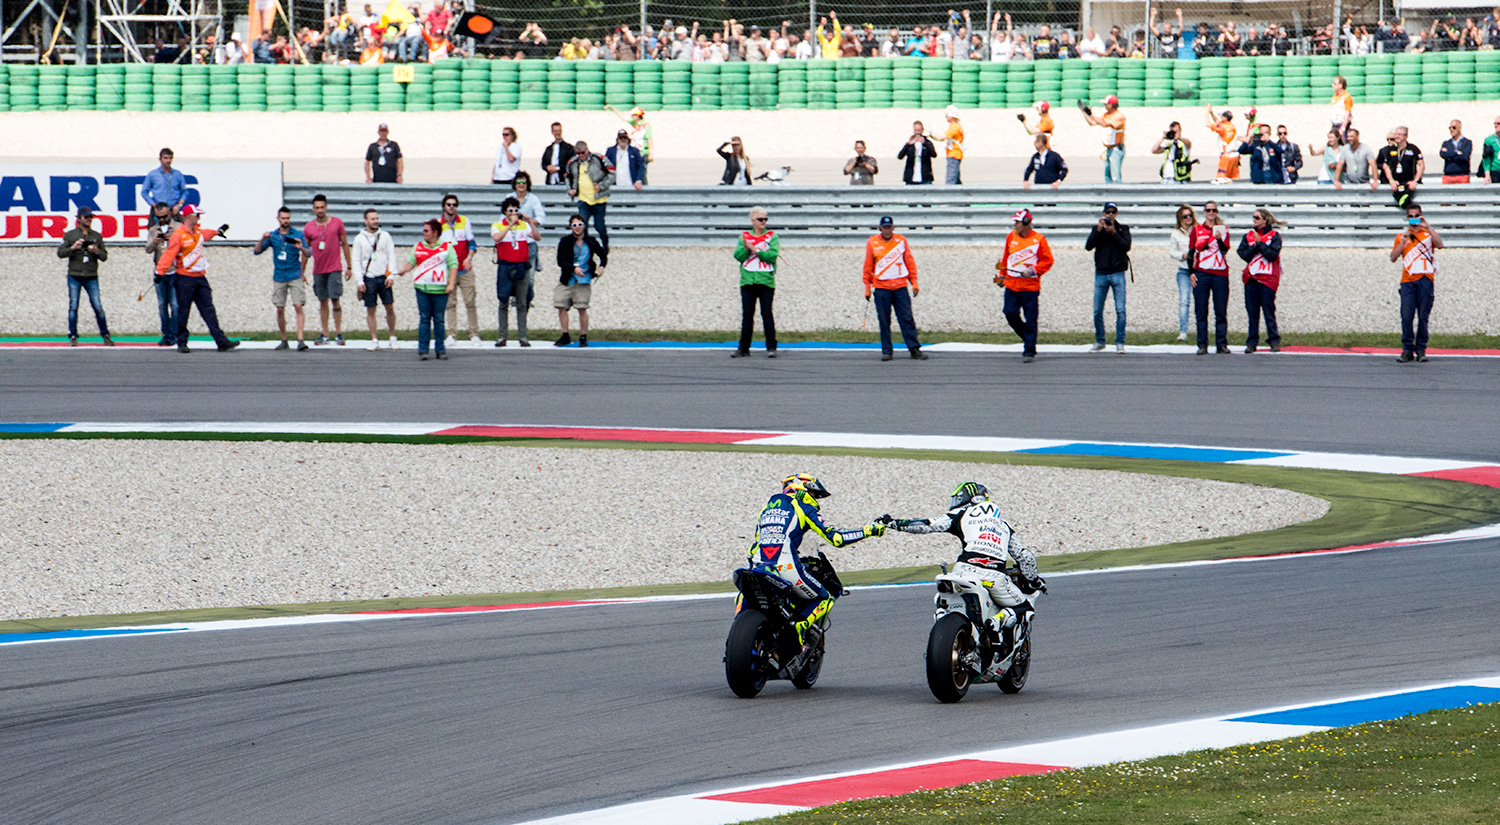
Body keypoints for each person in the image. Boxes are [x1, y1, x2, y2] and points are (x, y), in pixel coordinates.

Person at [879, 483, 1045, 654]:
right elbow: (1025, 557)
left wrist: (894, 524)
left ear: (971, 498)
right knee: (1025, 607)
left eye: (958, 498)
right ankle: (996, 622)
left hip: (962, 571)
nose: (956, 502)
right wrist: (1034, 580)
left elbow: (927, 525)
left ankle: (942, 618)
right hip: (993, 577)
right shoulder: (1004, 526)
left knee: (942, 597)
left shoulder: (961, 514)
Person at [747, 473, 885, 646]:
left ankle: (736, 637)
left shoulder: (765, 511)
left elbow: (758, 541)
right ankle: (799, 628)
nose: (815, 500)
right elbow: (837, 538)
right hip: (785, 566)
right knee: (824, 598)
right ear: (801, 489)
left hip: (756, 565)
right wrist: (870, 530)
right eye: (813, 494)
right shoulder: (803, 507)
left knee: (744, 597)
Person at [155, 204, 239, 353]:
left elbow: (207, 233)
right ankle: (181, 342)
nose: (199, 218)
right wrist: (160, 272)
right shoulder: (178, 235)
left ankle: (221, 341)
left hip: (200, 277)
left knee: (209, 310)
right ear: (188, 216)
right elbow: (169, 254)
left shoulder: (198, 232)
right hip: (184, 278)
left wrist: (218, 232)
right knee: (183, 311)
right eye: (197, 215)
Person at [862, 216, 927, 362]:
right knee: (884, 320)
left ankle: (914, 349)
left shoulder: (901, 241)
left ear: (893, 228)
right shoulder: (872, 242)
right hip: (881, 288)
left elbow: (909, 261)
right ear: (880, 228)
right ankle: (887, 351)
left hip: (900, 287)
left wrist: (914, 282)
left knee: (907, 318)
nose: (887, 230)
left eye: (889, 227)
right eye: (884, 227)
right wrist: (867, 286)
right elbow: (868, 266)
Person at [996, 209, 1054, 364]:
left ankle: (1029, 350)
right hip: (1012, 285)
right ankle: (1028, 338)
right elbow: (1006, 258)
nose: (1015, 225)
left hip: (1030, 287)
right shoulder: (1011, 237)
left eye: (1017, 222)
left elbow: (1047, 261)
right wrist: (1002, 274)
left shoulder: (1039, 239)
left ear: (1027, 223)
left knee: (1031, 319)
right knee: (1009, 312)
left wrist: (1034, 270)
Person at [396, 218, 457, 361]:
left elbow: (453, 265)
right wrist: (404, 270)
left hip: (440, 290)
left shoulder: (447, 247)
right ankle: (423, 350)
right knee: (424, 319)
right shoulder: (418, 246)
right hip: (422, 288)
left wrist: (451, 284)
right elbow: (411, 262)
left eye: (426, 230)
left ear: (435, 233)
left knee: (439, 320)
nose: (423, 233)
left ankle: (440, 349)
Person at [1390, 203, 1442, 363]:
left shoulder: (1428, 234)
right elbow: (1393, 258)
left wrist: (1428, 226)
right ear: (1407, 218)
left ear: (1420, 216)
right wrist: (1402, 243)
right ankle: (1407, 349)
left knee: (1423, 316)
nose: (1413, 219)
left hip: (1425, 279)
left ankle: (1421, 349)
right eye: (1411, 217)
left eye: (1416, 216)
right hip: (1408, 280)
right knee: (1406, 316)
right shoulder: (1401, 236)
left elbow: (1440, 245)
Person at [254, 206, 310, 351]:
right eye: (283, 218)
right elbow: (257, 251)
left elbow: (308, 253)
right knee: (280, 308)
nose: (286, 221)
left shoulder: (297, 234)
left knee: (298, 305)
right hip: (279, 275)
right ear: (278, 219)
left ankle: (300, 339)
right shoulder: (273, 236)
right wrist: (262, 239)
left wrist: (301, 248)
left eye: (288, 218)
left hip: (294, 274)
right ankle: (284, 339)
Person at [57, 206, 111, 347]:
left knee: (97, 306)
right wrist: (73, 248)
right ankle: (73, 335)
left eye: (90, 217)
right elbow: (60, 253)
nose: (89, 219)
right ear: (79, 218)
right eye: (86, 217)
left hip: (91, 275)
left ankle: (105, 334)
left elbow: (104, 257)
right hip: (75, 274)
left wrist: (97, 251)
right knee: (73, 306)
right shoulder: (70, 235)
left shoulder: (96, 236)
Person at [303, 193, 353, 345]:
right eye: (317, 208)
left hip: (334, 268)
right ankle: (325, 333)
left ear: (326, 207)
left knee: (335, 299)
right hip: (319, 269)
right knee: (322, 300)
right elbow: (306, 250)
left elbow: (345, 244)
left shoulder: (337, 223)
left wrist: (349, 266)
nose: (320, 210)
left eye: (322, 207)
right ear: (313, 209)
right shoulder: (309, 227)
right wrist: (302, 270)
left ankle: (338, 332)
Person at [732, 206, 779, 358]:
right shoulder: (744, 237)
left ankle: (771, 347)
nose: (763, 222)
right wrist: (747, 249)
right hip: (748, 281)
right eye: (760, 219)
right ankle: (743, 348)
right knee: (747, 315)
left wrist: (756, 250)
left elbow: (772, 256)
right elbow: (738, 256)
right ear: (753, 221)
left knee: (767, 313)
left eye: (765, 219)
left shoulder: (772, 236)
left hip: (766, 281)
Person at [1085, 202, 1132, 353]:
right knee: (1097, 310)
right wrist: (1098, 231)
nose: (1110, 215)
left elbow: (1126, 246)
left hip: (1118, 272)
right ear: (1103, 213)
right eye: (1107, 212)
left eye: (1113, 212)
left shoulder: (1122, 229)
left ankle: (1120, 341)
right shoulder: (1097, 229)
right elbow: (1088, 246)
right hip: (1101, 273)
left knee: (1120, 310)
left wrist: (1114, 233)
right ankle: (1100, 340)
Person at [491, 196, 538, 348]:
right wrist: (510, 225)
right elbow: (497, 238)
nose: (513, 213)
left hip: (520, 266)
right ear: (505, 212)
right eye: (510, 210)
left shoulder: (523, 226)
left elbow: (537, 237)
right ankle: (502, 336)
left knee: (522, 302)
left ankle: (523, 337)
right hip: (505, 266)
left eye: (516, 210)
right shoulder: (498, 225)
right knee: (503, 301)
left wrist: (530, 221)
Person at [554, 214, 606, 347]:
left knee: (582, 307)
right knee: (560, 304)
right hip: (568, 278)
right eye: (574, 225)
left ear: (584, 225)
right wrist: (573, 268)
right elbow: (561, 261)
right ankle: (565, 334)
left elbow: (603, 255)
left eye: (580, 224)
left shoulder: (591, 241)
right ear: (571, 226)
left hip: (584, 279)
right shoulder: (565, 241)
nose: (577, 228)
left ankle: (583, 336)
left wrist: (601, 267)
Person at [1238, 208, 1284, 354]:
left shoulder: (1274, 236)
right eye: (1253, 217)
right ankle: (1252, 342)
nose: (1254, 220)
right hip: (1252, 277)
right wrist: (1255, 246)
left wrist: (1261, 244)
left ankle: (1274, 340)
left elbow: (1272, 255)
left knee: (1268, 310)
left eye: (1257, 218)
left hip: (1268, 278)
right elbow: (1243, 254)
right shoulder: (1248, 236)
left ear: (1265, 220)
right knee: (1252, 312)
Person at [437, 193, 480, 346]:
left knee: (470, 302)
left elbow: (472, 243)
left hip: (464, 268)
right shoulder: (438, 224)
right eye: (449, 204)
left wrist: (469, 257)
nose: (452, 207)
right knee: (450, 303)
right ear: (444, 206)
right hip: (449, 270)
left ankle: (474, 333)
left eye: (454, 205)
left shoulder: (464, 221)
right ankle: (451, 334)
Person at [352, 208, 398, 350]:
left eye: (376, 218)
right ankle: (374, 339)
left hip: (383, 277)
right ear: (366, 221)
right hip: (369, 278)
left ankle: (392, 337)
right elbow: (356, 260)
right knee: (371, 309)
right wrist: (359, 280)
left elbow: (391, 256)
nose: (375, 221)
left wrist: (391, 275)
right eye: (372, 219)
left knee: (389, 307)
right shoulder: (359, 238)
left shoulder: (385, 236)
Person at [1189, 201, 1231, 355]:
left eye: (1214, 210)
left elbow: (1225, 250)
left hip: (1220, 273)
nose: (1211, 213)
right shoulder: (1197, 230)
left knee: (1220, 309)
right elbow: (1191, 251)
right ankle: (1202, 344)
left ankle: (1221, 343)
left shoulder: (1223, 229)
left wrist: (1219, 239)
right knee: (1201, 309)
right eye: (1208, 210)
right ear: (1204, 212)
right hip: (1202, 272)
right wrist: (1191, 272)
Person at [512, 172, 547, 332]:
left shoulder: (533, 199)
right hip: (513, 243)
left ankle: (525, 305)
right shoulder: (509, 198)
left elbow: (541, 217)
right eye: (518, 181)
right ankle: (517, 299)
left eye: (524, 182)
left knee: (530, 280)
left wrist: (528, 220)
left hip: (529, 243)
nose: (521, 184)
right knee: (512, 276)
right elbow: (501, 218)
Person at [143, 202, 178, 346]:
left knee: (175, 305)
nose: (162, 220)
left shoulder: (178, 228)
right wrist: (155, 242)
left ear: (169, 214)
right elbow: (148, 249)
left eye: (164, 217)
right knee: (162, 305)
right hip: (160, 271)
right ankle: (166, 334)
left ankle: (176, 333)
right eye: (159, 217)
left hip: (175, 270)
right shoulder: (153, 229)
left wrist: (173, 239)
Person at [566, 140, 612, 249]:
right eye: (578, 153)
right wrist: (571, 189)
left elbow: (612, 172)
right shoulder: (573, 163)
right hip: (583, 200)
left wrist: (602, 186)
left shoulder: (598, 159)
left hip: (599, 199)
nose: (581, 156)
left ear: (587, 150)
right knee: (582, 225)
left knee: (599, 226)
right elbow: (567, 176)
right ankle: (587, 247)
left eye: (583, 152)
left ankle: (605, 244)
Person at [1375, 125, 1424, 207]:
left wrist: (1415, 181)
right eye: (1396, 134)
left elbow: (1421, 165)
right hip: (1395, 184)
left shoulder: (1413, 149)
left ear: (1405, 136)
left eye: (1399, 134)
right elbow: (1385, 166)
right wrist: (1391, 181)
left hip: (1409, 184)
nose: (1396, 136)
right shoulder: (1390, 149)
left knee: (1410, 207)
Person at [1167, 205, 1196, 341]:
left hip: (1198, 269)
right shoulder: (1176, 233)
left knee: (1200, 300)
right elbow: (1172, 252)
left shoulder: (1198, 230)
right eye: (1185, 216)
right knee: (1184, 301)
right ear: (1180, 218)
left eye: (1190, 215)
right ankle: (1183, 331)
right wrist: (1182, 256)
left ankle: (1202, 329)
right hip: (1183, 270)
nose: (1188, 218)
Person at [1082, 96, 1126, 183]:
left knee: (1115, 176)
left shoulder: (1118, 116)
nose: (1105, 106)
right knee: (1108, 176)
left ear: (1112, 105)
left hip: (1116, 148)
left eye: (1107, 104)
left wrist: (1091, 114)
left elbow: (1104, 124)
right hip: (1109, 149)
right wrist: (1085, 112)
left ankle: (1119, 195)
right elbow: (1093, 122)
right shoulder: (1106, 115)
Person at [141, 148, 187, 218]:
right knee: (156, 229)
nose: (168, 160)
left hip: (173, 210)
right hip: (159, 211)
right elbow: (144, 192)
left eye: (170, 158)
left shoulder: (177, 174)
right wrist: (155, 205)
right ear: (160, 159)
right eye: (165, 158)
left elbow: (185, 192)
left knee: (179, 228)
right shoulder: (153, 174)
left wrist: (179, 205)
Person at [898, 121, 937, 185]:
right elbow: (900, 156)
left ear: (922, 130)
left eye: (919, 130)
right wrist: (908, 145)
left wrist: (925, 143)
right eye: (915, 130)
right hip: (911, 177)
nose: (917, 132)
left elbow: (934, 154)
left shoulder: (927, 142)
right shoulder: (910, 143)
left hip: (925, 177)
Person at [1207, 108, 1240, 184]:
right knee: (1234, 178)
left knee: (1221, 178)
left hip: (1226, 156)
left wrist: (1206, 112)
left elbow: (1208, 124)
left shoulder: (1222, 127)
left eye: (1221, 116)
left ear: (1225, 118)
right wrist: (1211, 112)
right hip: (1235, 155)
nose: (1220, 118)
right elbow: (1217, 121)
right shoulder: (1232, 126)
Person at [540, 122, 576, 186]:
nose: (558, 133)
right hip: (550, 181)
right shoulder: (549, 149)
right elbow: (543, 163)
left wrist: (557, 168)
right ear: (552, 132)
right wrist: (547, 168)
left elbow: (571, 164)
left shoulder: (569, 148)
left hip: (564, 181)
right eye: (555, 131)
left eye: (559, 131)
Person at [1440, 120, 1472, 184]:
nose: (1451, 130)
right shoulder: (1446, 143)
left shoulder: (1467, 142)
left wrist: (1449, 155)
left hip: (1462, 176)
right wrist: (1456, 153)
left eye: (1454, 127)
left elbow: (1464, 157)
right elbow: (1442, 154)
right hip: (1448, 176)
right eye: (1450, 128)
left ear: (1459, 128)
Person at [942, 105, 965, 185]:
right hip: (956, 154)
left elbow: (942, 137)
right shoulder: (956, 126)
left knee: (951, 179)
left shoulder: (954, 127)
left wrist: (931, 133)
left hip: (953, 155)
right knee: (956, 178)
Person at [1330, 75, 1354, 143]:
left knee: (1343, 142)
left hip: (1342, 123)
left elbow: (1347, 113)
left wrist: (1343, 128)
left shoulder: (1346, 97)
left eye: (1335, 83)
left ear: (1340, 85)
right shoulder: (1334, 97)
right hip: (1335, 123)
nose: (1332, 85)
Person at [1481, 116, 1500, 184]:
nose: (1496, 125)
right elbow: (1486, 159)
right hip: (1495, 171)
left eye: (1498, 123)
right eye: (1495, 124)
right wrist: (1487, 174)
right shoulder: (1489, 140)